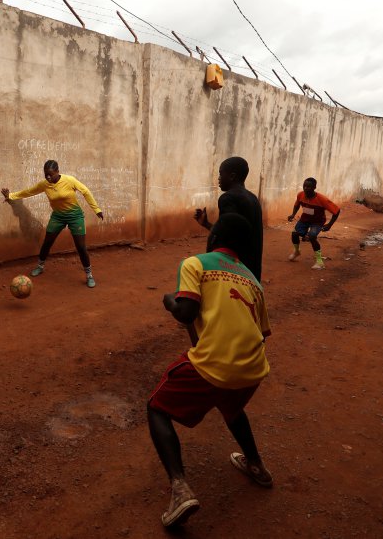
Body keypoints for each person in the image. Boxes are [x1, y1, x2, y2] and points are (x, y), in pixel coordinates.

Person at [148, 213, 272, 528]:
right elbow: (263, 331)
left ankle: (179, 489)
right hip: (254, 367)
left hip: (217, 362)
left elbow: (185, 311)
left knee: (156, 409)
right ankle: (255, 464)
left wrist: (169, 301)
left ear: (213, 235)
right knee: (231, 408)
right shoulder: (252, 280)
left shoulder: (196, 263)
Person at [1, 160, 103, 288]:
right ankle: (40, 266)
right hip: (58, 216)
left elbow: (86, 192)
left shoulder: (69, 180)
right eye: (46, 174)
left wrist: (97, 209)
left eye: (50, 174)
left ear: (57, 172)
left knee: (81, 247)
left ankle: (89, 275)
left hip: (75, 216)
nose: (48, 177)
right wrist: (10, 195)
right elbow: (29, 191)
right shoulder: (44, 184)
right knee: (47, 242)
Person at [193, 156, 264, 282]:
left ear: (232, 176)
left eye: (221, 174)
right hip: (252, 269)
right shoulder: (253, 198)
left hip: (235, 270)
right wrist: (206, 224)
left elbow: (226, 237)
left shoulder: (228, 198)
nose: (219, 178)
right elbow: (235, 230)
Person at [286, 178, 341, 269]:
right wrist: (293, 214)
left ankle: (319, 262)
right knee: (294, 233)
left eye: (309, 186)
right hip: (305, 219)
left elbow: (337, 211)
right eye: (304, 186)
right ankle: (297, 251)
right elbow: (297, 205)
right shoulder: (300, 195)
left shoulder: (321, 199)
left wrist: (329, 225)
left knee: (312, 237)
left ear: (314, 187)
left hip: (317, 222)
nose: (306, 188)